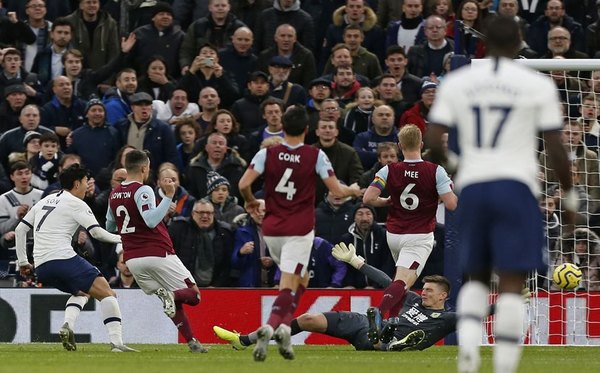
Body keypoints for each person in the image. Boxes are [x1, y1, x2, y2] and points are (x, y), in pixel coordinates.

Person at [426, 16, 577, 373]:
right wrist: (569, 195)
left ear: (484, 43)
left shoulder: (459, 81)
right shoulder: (534, 84)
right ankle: (505, 367)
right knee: (512, 280)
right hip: (515, 185)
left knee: (477, 276)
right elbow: (555, 148)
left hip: (475, 185)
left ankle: (467, 355)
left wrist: (457, 164)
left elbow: (433, 140)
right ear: (520, 42)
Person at [238, 105, 362, 361]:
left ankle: (284, 328)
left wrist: (250, 200)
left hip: (272, 229)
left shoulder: (267, 153)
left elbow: (243, 185)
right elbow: (336, 190)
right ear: (307, 129)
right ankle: (270, 327)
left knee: (301, 277)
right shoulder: (315, 155)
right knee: (289, 282)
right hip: (299, 229)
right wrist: (353, 190)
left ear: (282, 127)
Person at [15, 163, 136, 352]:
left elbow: (20, 229)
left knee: (82, 293)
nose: (88, 185)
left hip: (42, 267)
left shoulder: (46, 200)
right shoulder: (77, 203)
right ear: (77, 183)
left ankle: (68, 326)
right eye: (86, 181)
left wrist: (23, 261)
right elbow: (96, 233)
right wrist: (124, 238)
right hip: (63, 258)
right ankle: (117, 344)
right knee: (109, 294)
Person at [105, 149, 208, 353]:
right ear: (144, 168)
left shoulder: (114, 193)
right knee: (193, 296)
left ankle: (192, 342)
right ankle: (172, 297)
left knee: (172, 302)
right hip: (157, 252)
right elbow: (151, 220)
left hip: (133, 259)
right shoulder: (143, 190)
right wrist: (169, 197)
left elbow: (109, 226)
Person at [215, 270, 460, 352]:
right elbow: (390, 283)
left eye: (429, 290)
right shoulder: (414, 301)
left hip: (381, 338)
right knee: (307, 318)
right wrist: (358, 264)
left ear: (443, 296)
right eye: (424, 289)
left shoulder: (449, 318)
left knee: (385, 338)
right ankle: (243, 340)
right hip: (363, 324)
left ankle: (391, 342)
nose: (424, 292)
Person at [362, 123, 457, 332]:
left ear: (399, 146)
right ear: (421, 144)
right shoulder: (435, 171)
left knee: (401, 281)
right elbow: (451, 204)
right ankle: (379, 311)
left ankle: (393, 322)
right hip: (419, 235)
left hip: (394, 234)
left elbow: (368, 198)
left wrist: (385, 201)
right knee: (404, 281)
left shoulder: (388, 169)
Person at [168, 198, 235, 287]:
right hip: (183, 286)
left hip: (215, 289)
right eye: (201, 212)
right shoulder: (179, 228)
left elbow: (227, 265)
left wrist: (216, 286)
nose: (205, 216)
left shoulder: (224, 232)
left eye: (209, 213)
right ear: (192, 214)